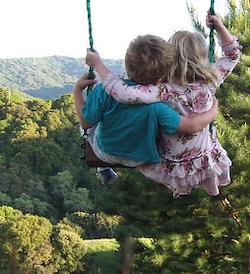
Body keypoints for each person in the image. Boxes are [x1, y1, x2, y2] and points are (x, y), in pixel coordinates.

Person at [86, 13, 241, 197]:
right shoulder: (212, 80)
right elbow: (232, 55)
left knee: (138, 152)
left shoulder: (163, 90)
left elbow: (123, 93)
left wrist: (98, 65)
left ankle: (106, 168)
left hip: (172, 161)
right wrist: (219, 27)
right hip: (204, 155)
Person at [74, 34, 219, 185]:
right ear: (160, 79)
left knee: (90, 123)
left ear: (127, 65)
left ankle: (103, 169)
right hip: (140, 158)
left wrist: (77, 90)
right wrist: (213, 110)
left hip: (105, 152)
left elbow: (86, 123)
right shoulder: (161, 104)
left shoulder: (103, 91)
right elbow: (191, 126)